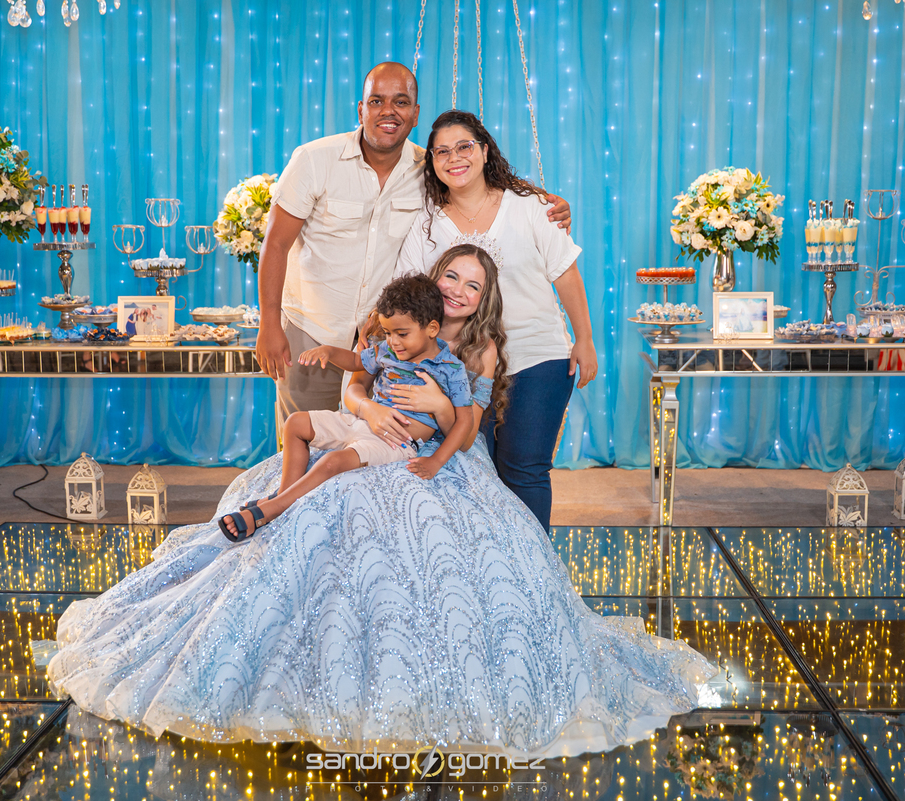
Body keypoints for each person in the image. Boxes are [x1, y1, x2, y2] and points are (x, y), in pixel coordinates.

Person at [41, 240, 716, 757]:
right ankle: (279, 507)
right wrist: (366, 403)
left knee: (400, 519)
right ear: (433, 279)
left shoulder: (477, 350)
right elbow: (356, 379)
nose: (458, 290)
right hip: (368, 427)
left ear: (484, 298)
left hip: (439, 454)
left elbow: (468, 421)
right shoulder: (396, 321)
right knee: (322, 471)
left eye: (472, 284)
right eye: (451, 276)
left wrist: (436, 419)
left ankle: (306, 538)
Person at [256, 61, 570, 439]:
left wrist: (542, 201)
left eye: (401, 102)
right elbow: (276, 243)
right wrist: (268, 323)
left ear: (415, 113)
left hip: (389, 337)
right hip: (313, 330)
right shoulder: (314, 159)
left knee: (376, 450)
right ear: (361, 109)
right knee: (304, 440)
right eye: (377, 101)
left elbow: (481, 182)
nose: (388, 111)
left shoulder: (429, 167)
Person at [393, 109, 597, 530]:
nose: (454, 158)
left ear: (485, 151)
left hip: (538, 356)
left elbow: (566, 273)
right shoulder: (427, 224)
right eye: (441, 152)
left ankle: (534, 565)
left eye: (464, 147)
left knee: (525, 468)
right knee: (473, 470)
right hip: (463, 365)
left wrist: (584, 339)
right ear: (432, 162)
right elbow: (409, 294)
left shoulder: (532, 207)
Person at [218, 274, 474, 541]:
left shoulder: (450, 369)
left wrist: (435, 461)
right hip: (363, 421)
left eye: (402, 334)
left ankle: (268, 511)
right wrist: (329, 352)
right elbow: (356, 361)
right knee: (295, 423)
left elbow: (465, 422)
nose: (393, 341)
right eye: (388, 333)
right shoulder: (388, 351)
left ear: (432, 329)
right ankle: (285, 497)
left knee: (333, 462)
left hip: (395, 441)